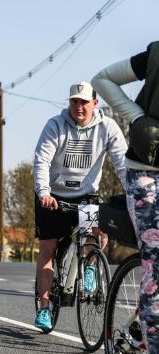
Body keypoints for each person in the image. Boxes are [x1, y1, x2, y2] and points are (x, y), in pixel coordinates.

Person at [32, 82, 127, 331]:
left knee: (99, 233)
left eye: (84, 102)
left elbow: (122, 163)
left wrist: (133, 192)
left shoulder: (107, 127)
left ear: (95, 103)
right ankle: (44, 307)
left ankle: (90, 267)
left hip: (85, 195)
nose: (79, 107)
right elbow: (41, 160)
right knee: (47, 248)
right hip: (53, 196)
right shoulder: (55, 125)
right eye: (74, 101)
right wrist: (43, 191)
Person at [93, 41, 159, 354]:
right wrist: (137, 118)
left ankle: (139, 327)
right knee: (158, 264)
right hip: (147, 171)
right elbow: (102, 79)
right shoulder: (155, 55)